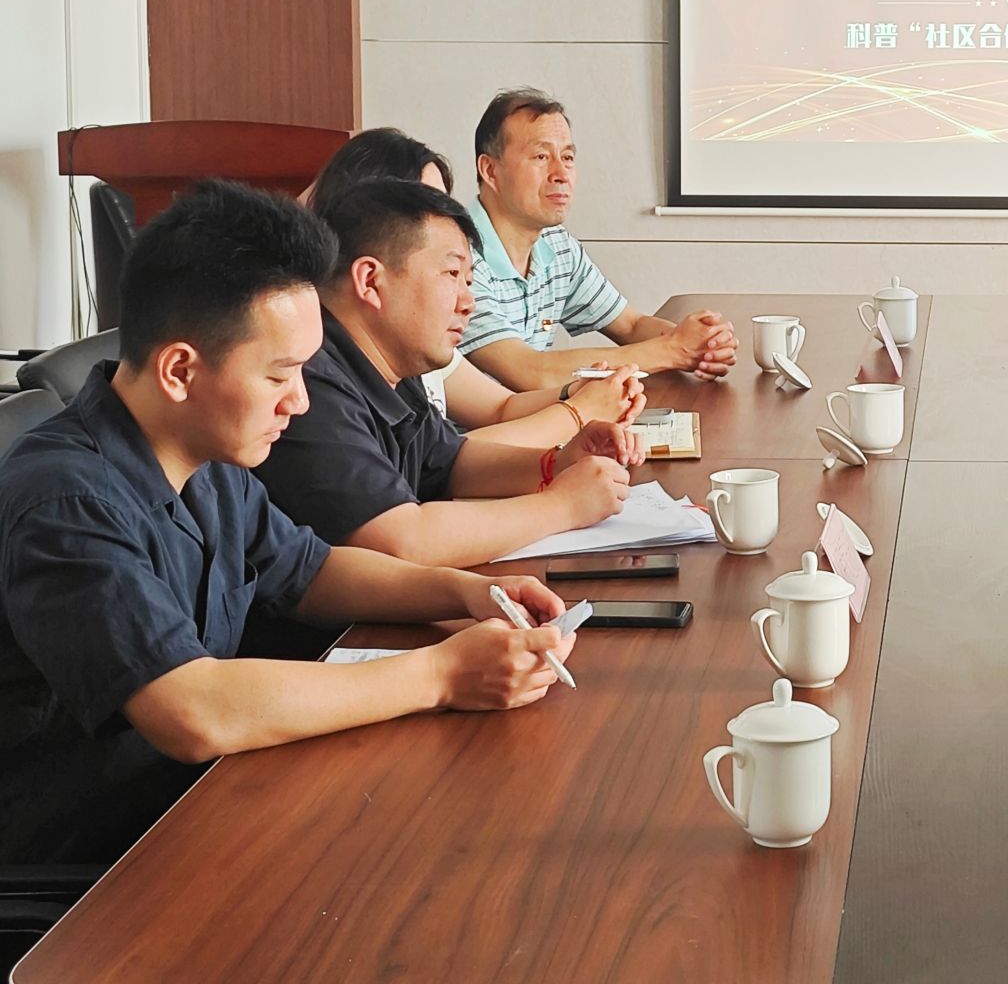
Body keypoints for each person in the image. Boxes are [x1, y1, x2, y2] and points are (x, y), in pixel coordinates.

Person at [0, 181, 576, 870]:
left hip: (213, 801)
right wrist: (441, 674)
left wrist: (465, 593)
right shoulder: (67, 501)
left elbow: (312, 570)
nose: (300, 403)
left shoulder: (203, 455)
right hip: (98, 866)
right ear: (180, 370)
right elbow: (191, 710)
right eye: (280, 376)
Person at [251, 179, 638, 567]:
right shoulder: (308, 382)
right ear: (370, 280)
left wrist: (557, 463)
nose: (468, 303)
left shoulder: (392, 365)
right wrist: (563, 506)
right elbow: (401, 541)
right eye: (452, 274)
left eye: (468, 281)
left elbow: (448, 462)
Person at [310, 127, 646, 446]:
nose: (467, 302)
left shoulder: (411, 337)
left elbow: (499, 408)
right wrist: (578, 413)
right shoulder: (323, 372)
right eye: (426, 205)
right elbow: (445, 464)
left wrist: (577, 393)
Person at [460, 89, 737, 390]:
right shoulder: (458, 258)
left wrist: (702, 343)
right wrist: (674, 349)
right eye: (541, 156)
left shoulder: (556, 245)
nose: (561, 173)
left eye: (568, 157)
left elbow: (630, 325)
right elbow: (528, 371)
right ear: (490, 170)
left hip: (539, 415)